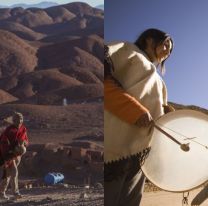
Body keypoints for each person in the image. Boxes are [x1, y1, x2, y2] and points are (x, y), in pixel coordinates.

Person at [104, 28, 175, 206]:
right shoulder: (127, 50)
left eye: (170, 49)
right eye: (166, 43)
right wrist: (133, 110)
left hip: (141, 154)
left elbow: (151, 109)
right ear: (150, 40)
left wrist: (165, 113)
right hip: (116, 147)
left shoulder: (159, 81)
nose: (168, 50)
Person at [0, 112, 29, 200]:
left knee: (8, 175)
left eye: (21, 119)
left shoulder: (23, 129)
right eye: (17, 119)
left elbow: (26, 141)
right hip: (7, 155)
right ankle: (16, 193)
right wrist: (9, 153)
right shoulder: (9, 130)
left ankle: (1, 193)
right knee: (14, 172)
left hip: (16, 156)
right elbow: (3, 144)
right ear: (13, 120)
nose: (19, 121)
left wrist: (24, 143)